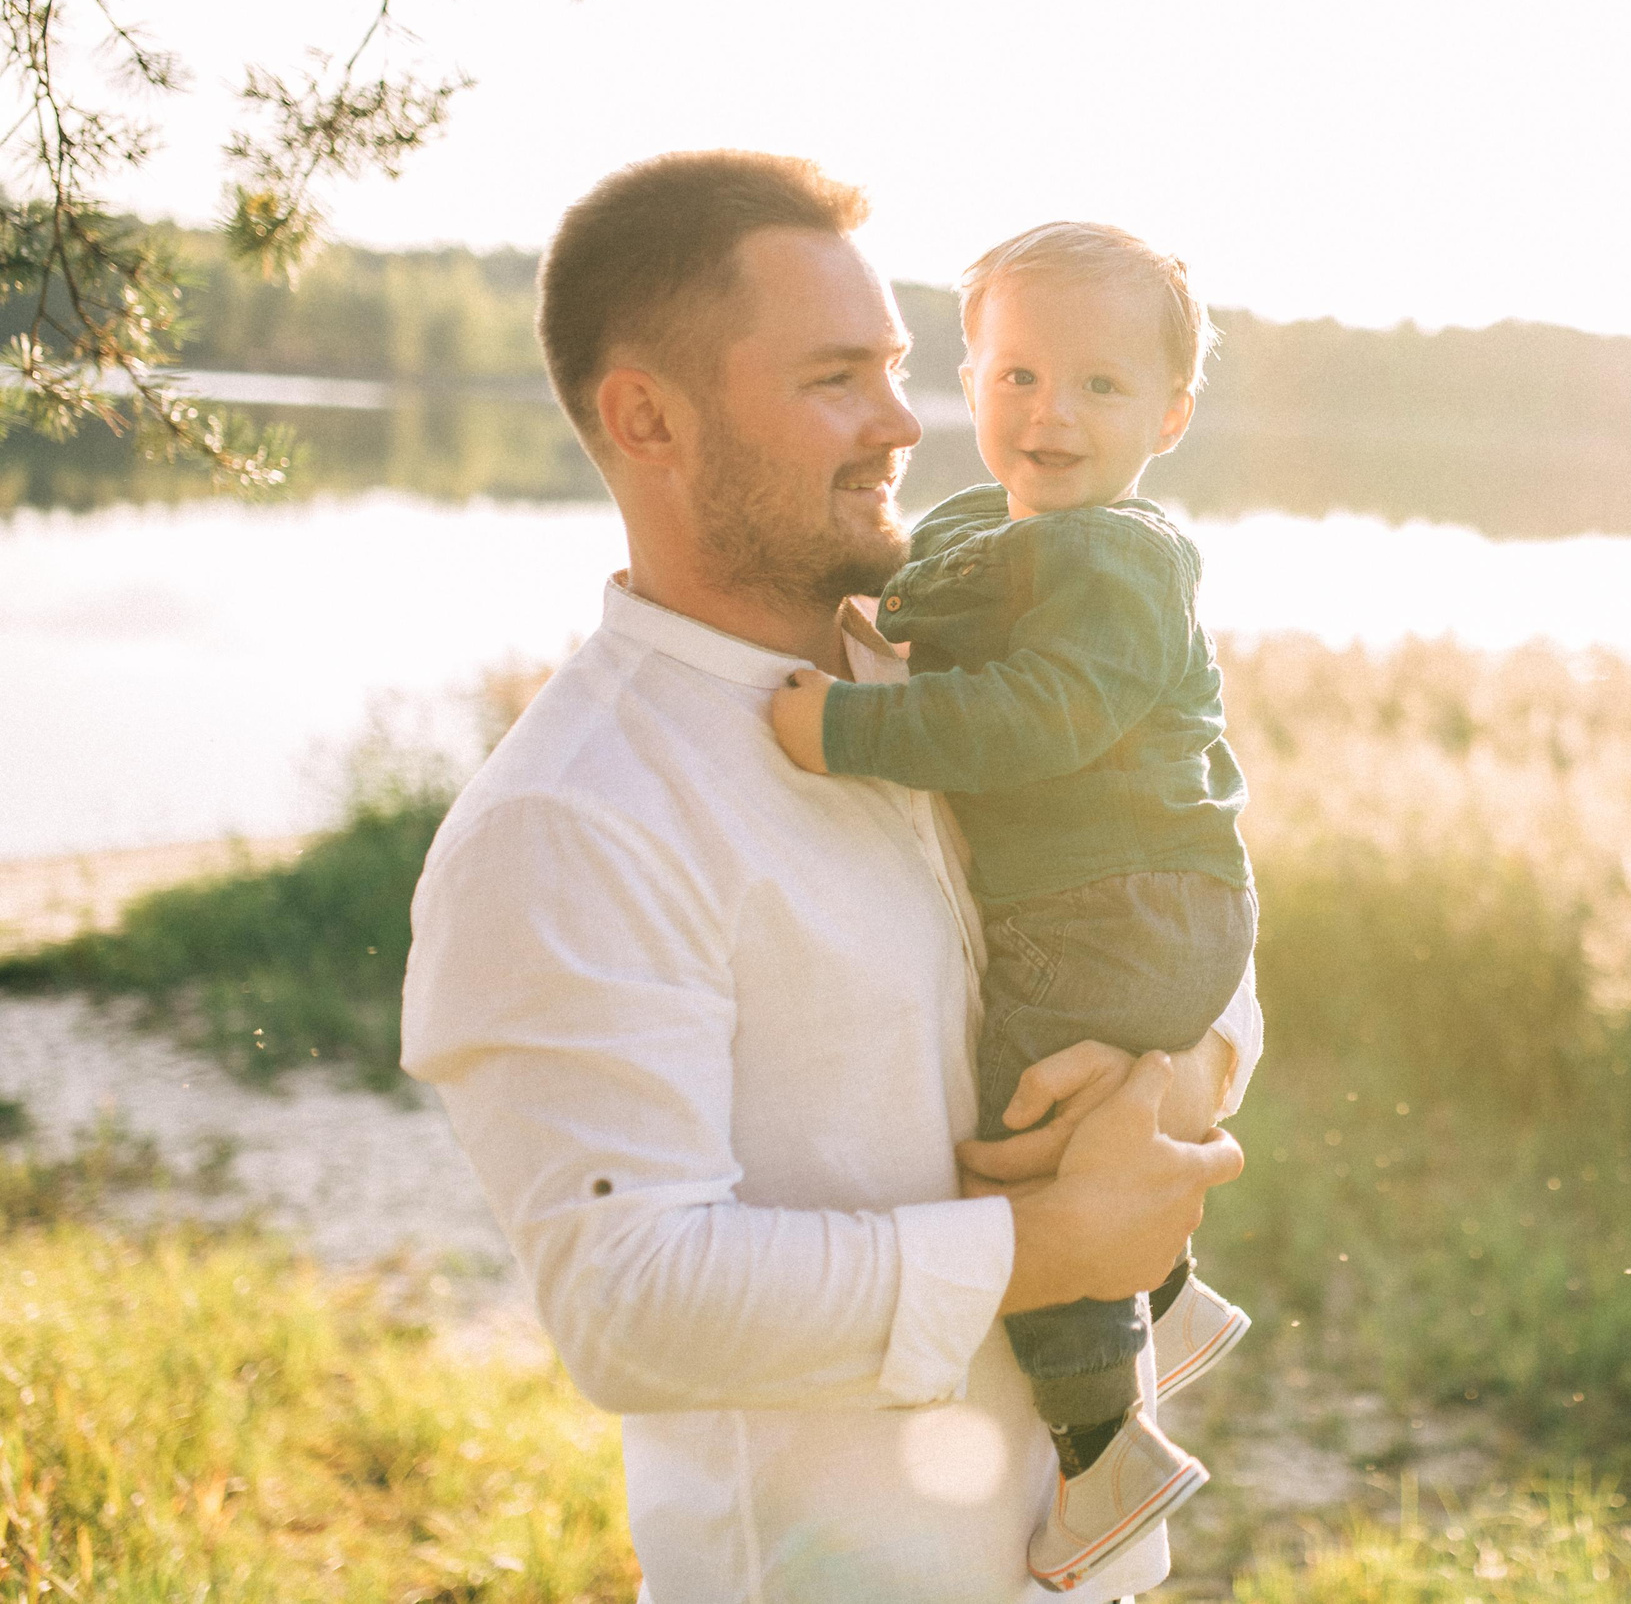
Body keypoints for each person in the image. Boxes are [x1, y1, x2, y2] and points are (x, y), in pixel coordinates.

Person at [400, 150, 1253, 1604]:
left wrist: (1163, 1087)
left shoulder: (948, 659)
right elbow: (631, 1305)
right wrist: (1045, 1247)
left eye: (905, 369)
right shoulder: (570, 823)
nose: (905, 423)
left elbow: (1184, 899)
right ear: (645, 417)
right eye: (834, 380)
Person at [766, 222, 1253, 1590]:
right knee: (1064, 1116)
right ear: (969, 382)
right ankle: (1168, 1292)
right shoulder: (996, 523)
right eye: (1020, 375)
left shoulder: (1119, 560)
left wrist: (852, 732)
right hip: (1115, 903)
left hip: (1133, 903)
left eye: (1101, 388)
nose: (1051, 414)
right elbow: (929, 587)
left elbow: (1039, 718)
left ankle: (1106, 1447)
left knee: (1013, 1125)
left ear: (1170, 414)